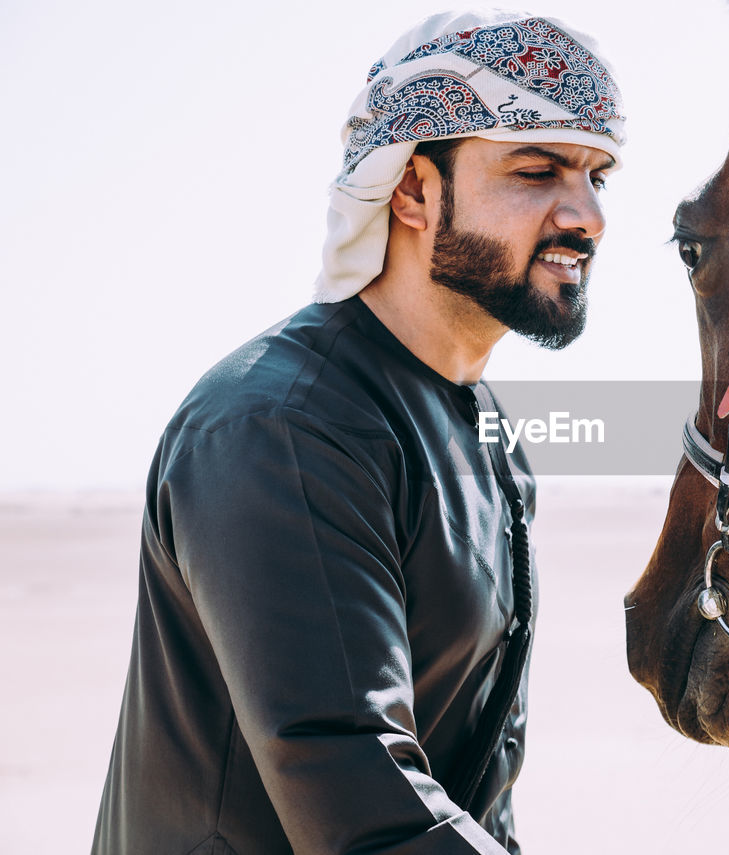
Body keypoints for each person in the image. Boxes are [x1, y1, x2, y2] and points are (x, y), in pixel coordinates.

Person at [91, 10, 625, 854]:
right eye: (537, 169)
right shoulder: (280, 429)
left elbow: (475, 786)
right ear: (412, 190)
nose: (587, 213)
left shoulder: (486, 436)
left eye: (599, 175)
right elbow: (360, 792)